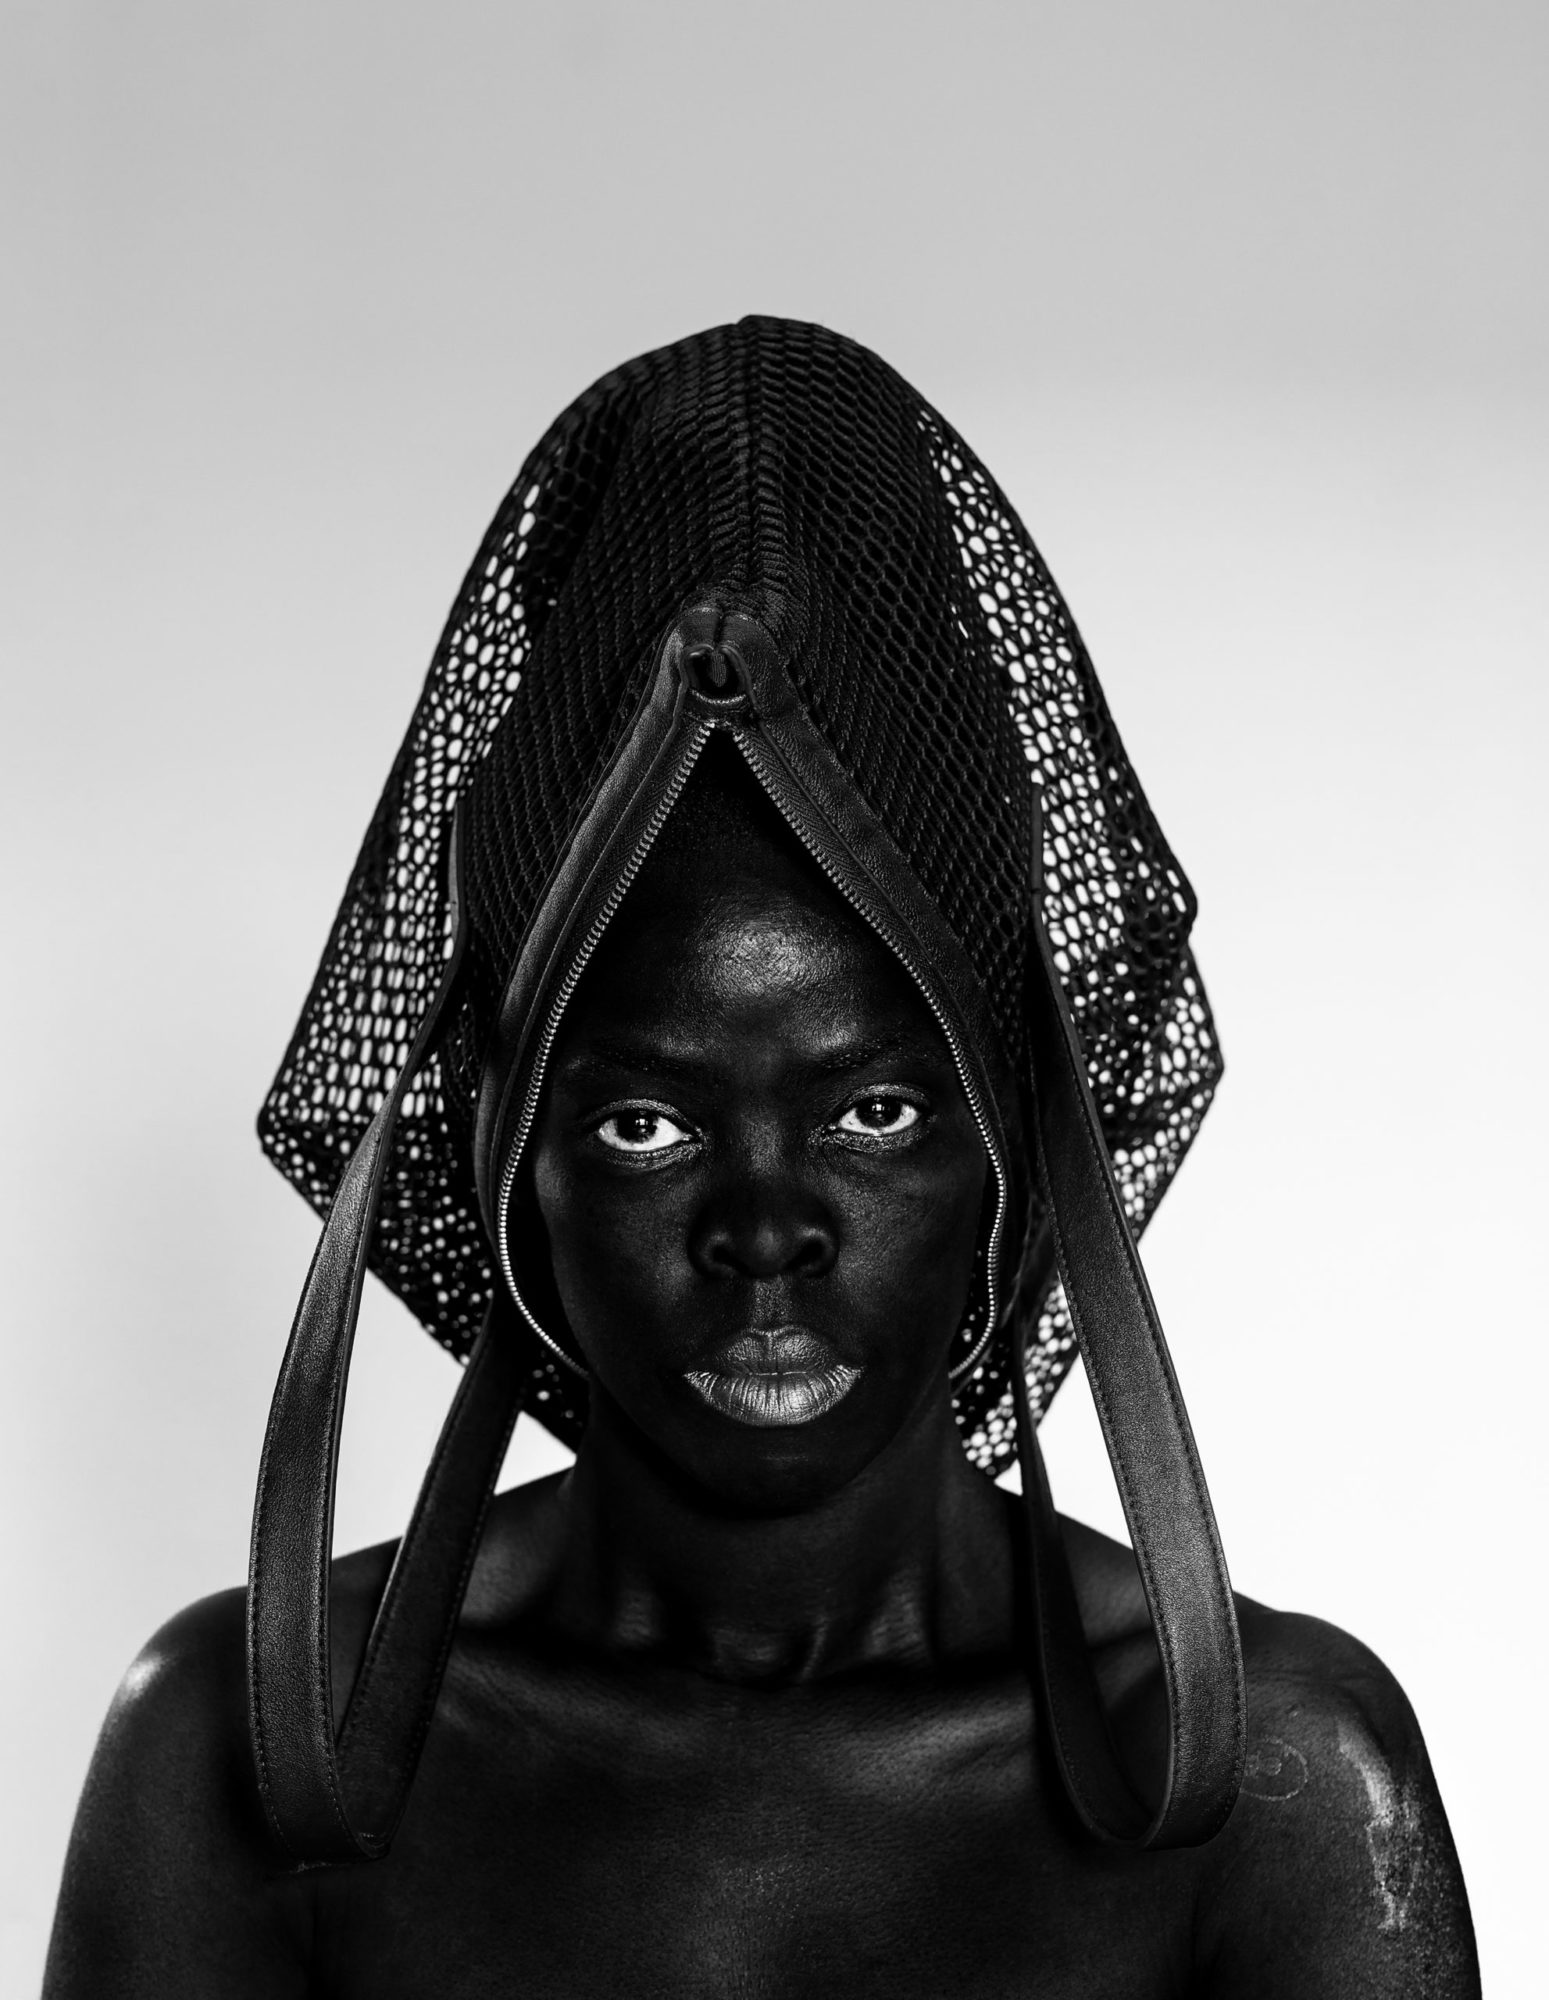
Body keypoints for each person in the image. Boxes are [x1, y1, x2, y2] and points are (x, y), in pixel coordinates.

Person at [44, 318, 1478, 1996]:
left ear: (1011, 1134)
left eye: (872, 1111)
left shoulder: (1277, 1781)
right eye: (645, 1121)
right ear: (507, 1150)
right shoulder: (228, 1746)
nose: (768, 1230)